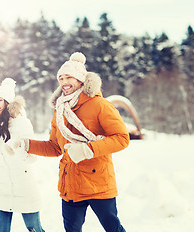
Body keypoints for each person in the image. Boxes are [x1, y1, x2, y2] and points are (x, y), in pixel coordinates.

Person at [13, 52, 129, 232]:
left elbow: (122, 138)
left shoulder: (100, 105)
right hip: (71, 186)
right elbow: (55, 147)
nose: (64, 82)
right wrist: (27, 144)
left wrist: (86, 150)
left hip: (98, 184)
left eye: (69, 77)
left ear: (81, 79)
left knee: (113, 229)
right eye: (61, 78)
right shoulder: (59, 110)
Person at [0, 78, 45, 232]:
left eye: (0, 100)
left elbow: (32, 157)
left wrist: (18, 147)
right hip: (1, 185)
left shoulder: (22, 123)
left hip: (23, 183)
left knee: (34, 229)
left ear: (8, 102)